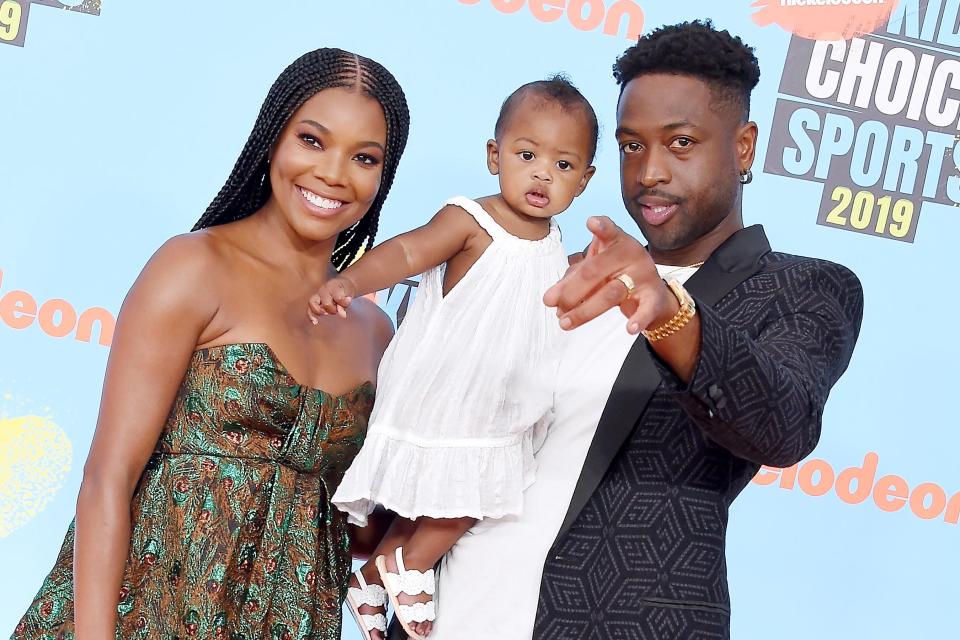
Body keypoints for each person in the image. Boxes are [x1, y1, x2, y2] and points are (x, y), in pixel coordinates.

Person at [417, 20, 864, 640]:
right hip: (449, 615)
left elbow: (782, 422)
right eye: (631, 146)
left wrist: (669, 311)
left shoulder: (802, 287)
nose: (650, 171)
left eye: (680, 143)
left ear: (743, 147)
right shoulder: (560, 275)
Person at [12, 48, 410, 640]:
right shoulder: (193, 267)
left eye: (364, 157)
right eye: (312, 140)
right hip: (141, 616)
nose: (333, 173)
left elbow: (356, 535)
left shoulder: (377, 332)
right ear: (274, 139)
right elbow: (107, 480)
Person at [307, 76, 599, 639]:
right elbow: (409, 250)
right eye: (527, 154)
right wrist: (351, 282)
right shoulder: (471, 219)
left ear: (584, 180)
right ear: (495, 156)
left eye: (564, 166)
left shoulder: (556, 242)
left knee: (435, 494)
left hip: (501, 394)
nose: (542, 173)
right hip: (449, 384)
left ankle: (373, 574)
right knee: (472, 492)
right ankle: (409, 564)